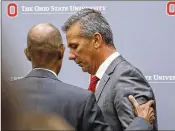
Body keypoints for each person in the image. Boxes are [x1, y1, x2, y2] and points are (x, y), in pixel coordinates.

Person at [11, 23, 154, 131]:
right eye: (69, 48)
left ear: (27, 53)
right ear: (61, 51)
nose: (71, 55)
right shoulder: (81, 101)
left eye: (75, 46)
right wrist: (141, 122)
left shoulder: (4, 96)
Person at [62, 8, 158, 131]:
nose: (70, 56)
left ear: (96, 40)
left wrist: (142, 122)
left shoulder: (126, 77)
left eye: (75, 46)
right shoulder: (102, 79)